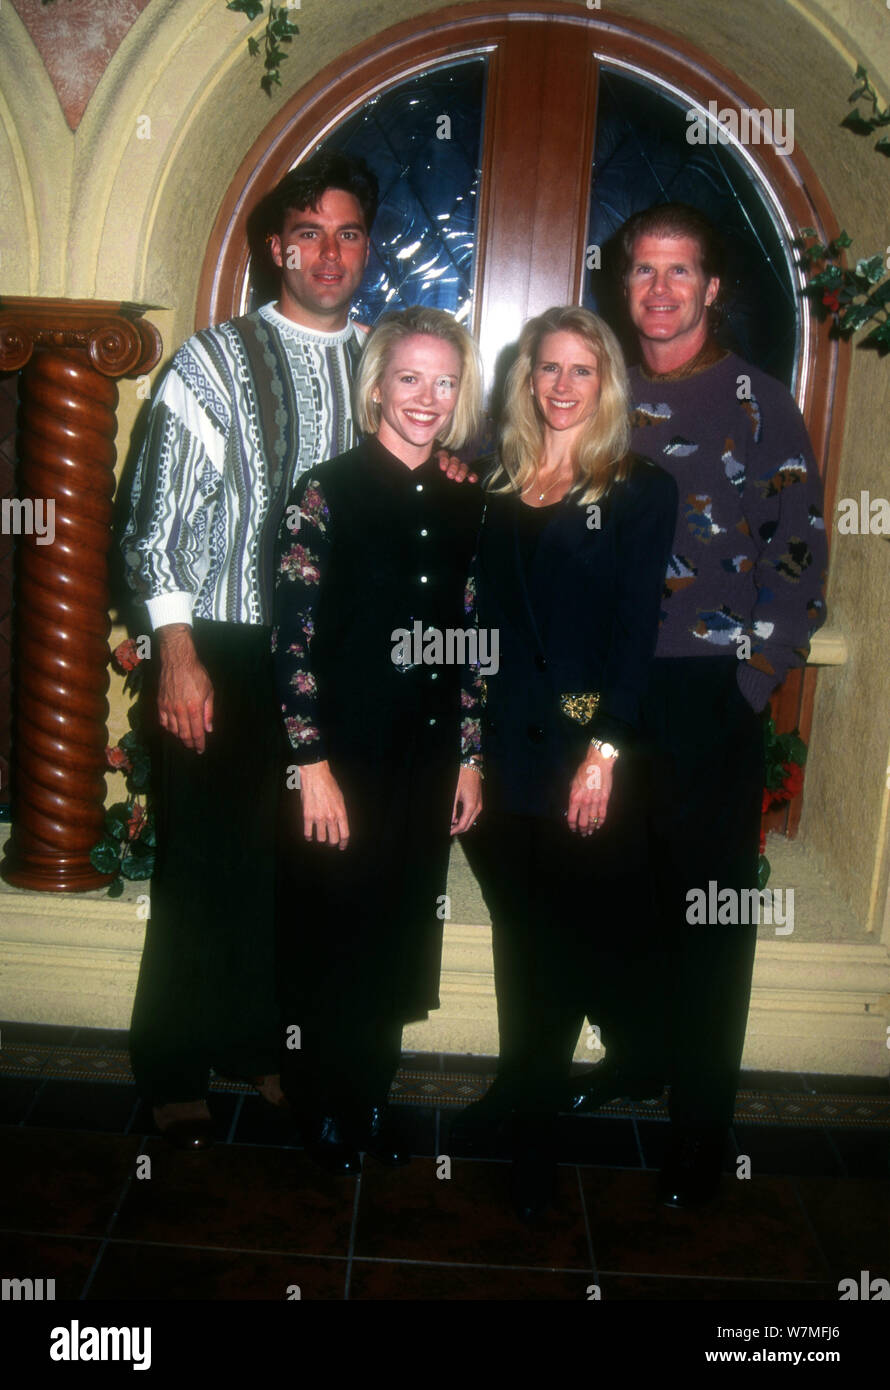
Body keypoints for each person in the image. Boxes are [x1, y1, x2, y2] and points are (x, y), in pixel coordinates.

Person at [120, 152, 383, 1148]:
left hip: (336, 661)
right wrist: (174, 651)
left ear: (366, 249)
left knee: (297, 869)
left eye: (347, 232)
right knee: (207, 862)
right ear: (276, 246)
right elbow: (155, 518)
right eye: (307, 231)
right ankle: (175, 1065)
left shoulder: (379, 364)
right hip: (223, 645)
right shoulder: (211, 360)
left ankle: (267, 1051)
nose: (327, 251)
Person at [610, 202, 828, 1207]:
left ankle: (700, 1128)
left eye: (677, 271)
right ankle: (637, 1058)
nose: (658, 289)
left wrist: (750, 678)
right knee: (626, 894)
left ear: (708, 288)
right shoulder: (602, 388)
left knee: (710, 909)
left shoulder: (753, 397)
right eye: (641, 270)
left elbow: (798, 549)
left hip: (709, 690)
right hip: (609, 693)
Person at [454, 306, 677, 1219]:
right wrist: (465, 753)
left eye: (582, 370)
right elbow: (469, 630)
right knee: (523, 937)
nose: (562, 386)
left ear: (607, 383)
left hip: (584, 755)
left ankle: (534, 1138)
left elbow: (636, 634)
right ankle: (524, 1087)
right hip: (500, 753)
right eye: (548, 368)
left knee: (554, 942)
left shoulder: (637, 489)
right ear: (526, 378)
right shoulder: (494, 486)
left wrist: (607, 750)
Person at [272, 305, 485, 1175]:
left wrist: (471, 754)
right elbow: (291, 636)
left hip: (427, 755)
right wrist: (308, 763)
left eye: (444, 381)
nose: (427, 398)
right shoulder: (325, 490)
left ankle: (369, 1100)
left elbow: (475, 631)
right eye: (410, 378)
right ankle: (325, 1108)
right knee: (336, 928)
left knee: (401, 927)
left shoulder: (471, 498)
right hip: (341, 752)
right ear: (378, 386)